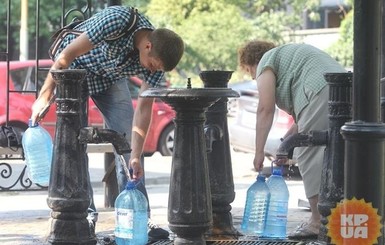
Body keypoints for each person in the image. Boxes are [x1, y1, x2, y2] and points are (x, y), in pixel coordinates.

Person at [30, 5, 184, 241]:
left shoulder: (155, 62)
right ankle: (84, 216)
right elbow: (66, 56)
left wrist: (135, 154)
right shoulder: (118, 20)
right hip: (74, 70)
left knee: (127, 145)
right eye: (153, 64)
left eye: (157, 69)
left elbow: (143, 109)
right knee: (73, 143)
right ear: (148, 46)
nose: (153, 70)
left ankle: (139, 220)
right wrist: (44, 95)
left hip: (107, 78)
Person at [237, 40, 346, 239]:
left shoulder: (265, 63)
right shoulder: (290, 59)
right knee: (338, 153)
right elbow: (302, 123)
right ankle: (340, 214)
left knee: (309, 152)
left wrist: (259, 151)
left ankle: (317, 221)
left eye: (249, 71)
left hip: (321, 89)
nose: (253, 77)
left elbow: (265, 109)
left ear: (251, 63)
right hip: (344, 89)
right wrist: (285, 145)